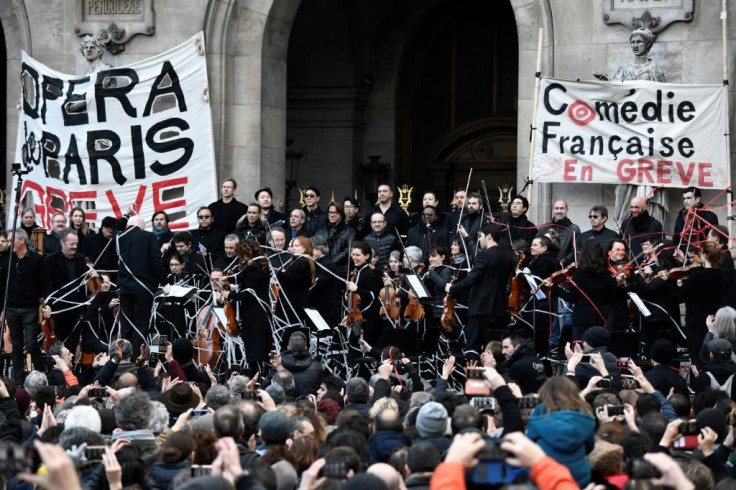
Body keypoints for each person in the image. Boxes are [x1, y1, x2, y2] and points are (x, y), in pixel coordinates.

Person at [446, 223, 513, 356]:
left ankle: (474, 376)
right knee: (495, 350)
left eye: (480, 236)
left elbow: (472, 279)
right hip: (500, 310)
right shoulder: (507, 257)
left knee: (473, 348)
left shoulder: (485, 255)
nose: (479, 240)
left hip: (481, 308)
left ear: (489, 237)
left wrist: (452, 288)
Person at [0, 229, 52, 384]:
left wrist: (45, 301)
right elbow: (2, 286)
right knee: (16, 345)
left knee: (31, 343)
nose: (9, 244)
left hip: (30, 307)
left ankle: (39, 377)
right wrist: (2, 309)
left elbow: (46, 283)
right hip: (11, 307)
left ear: (22, 240)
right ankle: (18, 381)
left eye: (11, 240)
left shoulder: (36, 260)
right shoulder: (6, 260)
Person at [526, 376, 595, 487]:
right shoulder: (583, 414)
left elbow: (529, 444)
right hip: (579, 477)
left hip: (547, 476)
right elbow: (590, 447)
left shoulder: (539, 412)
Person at [665, 241, 725, 366]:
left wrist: (671, 281)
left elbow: (681, 295)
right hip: (714, 322)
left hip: (696, 323)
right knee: (711, 357)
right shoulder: (721, 276)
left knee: (696, 360)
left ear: (703, 255)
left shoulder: (698, 276)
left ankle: (696, 384)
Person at [116, 213, 167, 356]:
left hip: (125, 288)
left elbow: (116, 228)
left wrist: (126, 214)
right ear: (142, 225)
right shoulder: (148, 236)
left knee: (126, 326)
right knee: (141, 325)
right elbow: (156, 261)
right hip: (144, 289)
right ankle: (139, 360)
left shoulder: (119, 237)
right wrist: (165, 282)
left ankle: (124, 359)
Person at [550, 240, 616, 340]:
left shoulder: (579, 274)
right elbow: (609, 299)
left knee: (579, 349)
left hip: (581, 318)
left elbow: (570, 297)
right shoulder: (607, 275)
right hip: (599, 317)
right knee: (596, 348)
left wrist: (554, 287)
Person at [224, 239, 273, 368]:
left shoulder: (255, 267)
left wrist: (230, 295)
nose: (242, 258)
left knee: (255, 347)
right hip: (258, 311)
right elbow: (241, 276)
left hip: (255, 312)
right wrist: (226, 278)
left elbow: (250, 293)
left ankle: (256, 373)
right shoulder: (257, 264)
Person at [45, 228, 92, 353]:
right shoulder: (50, 260)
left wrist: (92, 274)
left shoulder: (82, 259)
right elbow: (48, 285)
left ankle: (72, 369)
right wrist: (48, 305)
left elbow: (84, 283)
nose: (74, 246)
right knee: (60, 344)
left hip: (77, 308)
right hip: (59, 309)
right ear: (62, 243)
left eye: (76, 244)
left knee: (73, 342)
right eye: (71, 244)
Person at [517, 235, 559, 355]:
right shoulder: (538, 259)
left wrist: (520, 274)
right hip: (538, 305)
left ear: (544, 247)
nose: (531, 247)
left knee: (538, 340)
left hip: (539, 305)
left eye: (535, 245)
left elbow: (534, 283)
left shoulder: (544, 261)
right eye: (532, 245)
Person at [344, 241, 383, 346]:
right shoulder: (358, 271)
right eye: (353, 255)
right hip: (357, 317)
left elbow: (373, 297)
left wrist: (357, 289)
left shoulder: (369, 274)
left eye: (358, 255)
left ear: (367, 256)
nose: (354, 258)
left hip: (367, 321)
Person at [275, 236, 315, 326]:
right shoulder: (305, 261)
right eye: (293, 246)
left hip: (292, 303)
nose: (293, 248)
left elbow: (289, 278)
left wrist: (278, 272)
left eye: (296, 246)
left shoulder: (301, 262)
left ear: (305, 248)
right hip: (296, 302)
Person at [535, 200, 581, 265]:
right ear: (553, 210)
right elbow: (536, 247)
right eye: (556, 208)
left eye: (562, 208)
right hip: (544, 266)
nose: (559, 211)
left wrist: (563, 261)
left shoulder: (574, 229)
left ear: (567, 210)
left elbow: (576, 250)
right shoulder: (543, 228)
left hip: (564, 268)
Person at [310, 235, 341, 327]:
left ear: (320, 249)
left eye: (312, 249)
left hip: (325, 310)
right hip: (318, 308)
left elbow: (318, 285)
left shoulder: (327, 265)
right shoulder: (318, 263)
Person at [320, 202, 354, 276]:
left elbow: (349, 249)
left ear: (341, 214)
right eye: (330, 212)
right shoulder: (322, 230)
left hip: (340, 270)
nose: (332, 215)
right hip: (323, 268)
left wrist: (332, 262)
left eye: (335, 212)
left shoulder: (349, 231)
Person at [707, 225, 735, 306]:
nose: (707, 240)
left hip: (722, 304)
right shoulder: (722, 254)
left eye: (709, 237)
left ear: (716, 238)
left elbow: (723, 282)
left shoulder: (722, 257)